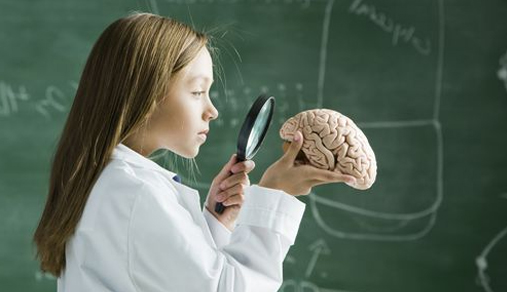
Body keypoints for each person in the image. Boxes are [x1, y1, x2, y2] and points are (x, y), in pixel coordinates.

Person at [33, 12, 355, 292]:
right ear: (144, 94)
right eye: (198, 91)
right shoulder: (136, 193)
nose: (212, 110)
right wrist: (276, 193)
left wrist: (214, 223)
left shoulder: (107, 181)